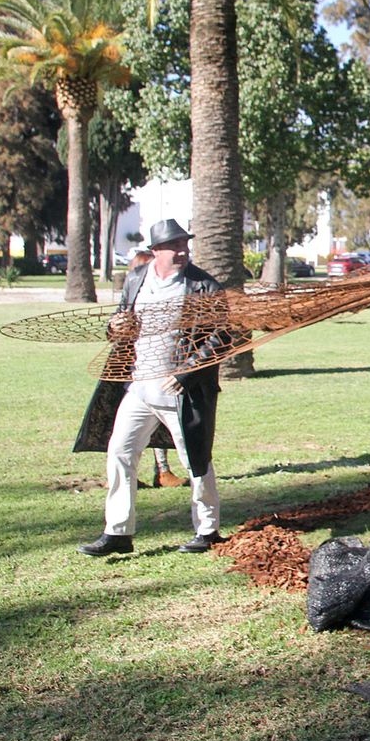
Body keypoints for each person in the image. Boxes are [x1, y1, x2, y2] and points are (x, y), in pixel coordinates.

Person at [74, 219, 226, 556]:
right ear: (156, 251)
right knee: (120, 452)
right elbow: (121, 324)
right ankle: (118, 532)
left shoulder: (204, 286)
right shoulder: (136, 280)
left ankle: (207, 530)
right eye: (175, 246)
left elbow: (221, 337)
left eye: (185, 245)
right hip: (139, 387)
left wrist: (185, 373)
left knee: (195, 460)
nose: (183, 251)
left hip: (180, 392)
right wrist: (115, 327)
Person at [124, 245, 189, 489]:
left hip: (163, 376)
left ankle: (162, 470)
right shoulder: (136, 286)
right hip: (137, 375)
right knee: (126, 439)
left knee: (162, 426)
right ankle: (160, 470)